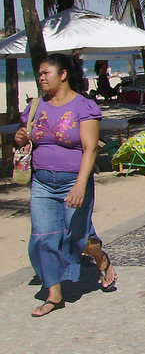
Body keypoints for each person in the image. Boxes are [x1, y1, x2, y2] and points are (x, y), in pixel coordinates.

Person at [14, 54, 115, 317]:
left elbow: (90, 148)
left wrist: (81, 184)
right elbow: (23, 140)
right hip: (42, 183)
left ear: (62, 75)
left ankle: (101, 258)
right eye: (39, 74)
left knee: (77, 239)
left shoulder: (84, 106)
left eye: (46, 73)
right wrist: (19, 137)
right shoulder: (36, 106)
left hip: (74, 180)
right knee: (42, 238)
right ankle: (54, 295)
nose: (41, 78)